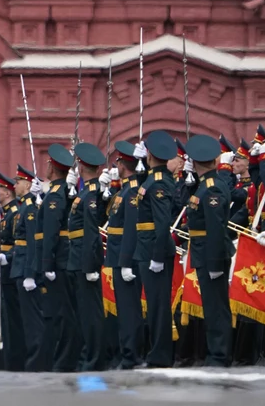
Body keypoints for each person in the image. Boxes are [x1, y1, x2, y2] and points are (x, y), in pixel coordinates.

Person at [184, 133, 234, 368]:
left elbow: (214, 228)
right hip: (204, 252)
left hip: (211, 254)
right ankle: (216, 352)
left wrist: (214, 263)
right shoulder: (203, 185)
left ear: (194, 163)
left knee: (216, 307)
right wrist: (188, 181)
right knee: (211, 306)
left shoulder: (211, 188)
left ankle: (220, 355)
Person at [132, 129, 179, 369]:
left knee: (159, 306)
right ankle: (156, 352)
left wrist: (158, 256)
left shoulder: (160, 182)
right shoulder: (152, 177)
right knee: (153, 304)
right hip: (147, 248)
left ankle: (160, 355)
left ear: (150, 154)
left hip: (154, 250)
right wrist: (138, 165)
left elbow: (162, 224)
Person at [37, 143, 81, 372]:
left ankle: (66, 360)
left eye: (47, 164)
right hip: (62, 259)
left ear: (52, 168)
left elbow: (51, 231)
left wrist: (47, 262)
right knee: (61, 312)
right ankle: (64, 358)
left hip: (59, 260)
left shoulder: (56, 194)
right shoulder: (57, 192)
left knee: (64, 314)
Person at [68, 142, 108, 371]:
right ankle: (88, 356)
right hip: (79, 258)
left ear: (82, 168)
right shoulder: (85, 192)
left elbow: (92, 231)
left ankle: (94, 359)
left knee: (91, 314)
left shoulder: (91, 193)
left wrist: (91, 264)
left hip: (86, 261)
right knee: (84, 314)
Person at [107, 140, 146, 369]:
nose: (116, 165)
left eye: (118, 161)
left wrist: (126, 262)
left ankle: (131, 355)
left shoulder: (132, 191)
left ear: (124, 164)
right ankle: (126, 353)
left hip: (125, 257)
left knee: (130, 310)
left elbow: (131, 227)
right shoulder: (123, 189)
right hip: (117, 255)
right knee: (124, 309)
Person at [11, 164, 45, 371]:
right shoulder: (23, 206)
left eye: (18, 181)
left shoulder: (31, 207)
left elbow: (33, 242)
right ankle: (31, 359)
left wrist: (30, 273)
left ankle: (37, 361)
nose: (15, 185)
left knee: (33, 321)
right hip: (19, 266)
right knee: (26, 320)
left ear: (28, 183)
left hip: (26, 269)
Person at [0, 171, 25, 371]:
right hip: (5, 269)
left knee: (14, 319)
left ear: (6, 192)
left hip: (11, 268)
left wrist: (8, 257)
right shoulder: (7, 212)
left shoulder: (15, 212)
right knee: (8, 318)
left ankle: (16, 359)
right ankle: (10, 358)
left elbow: (20, 243)